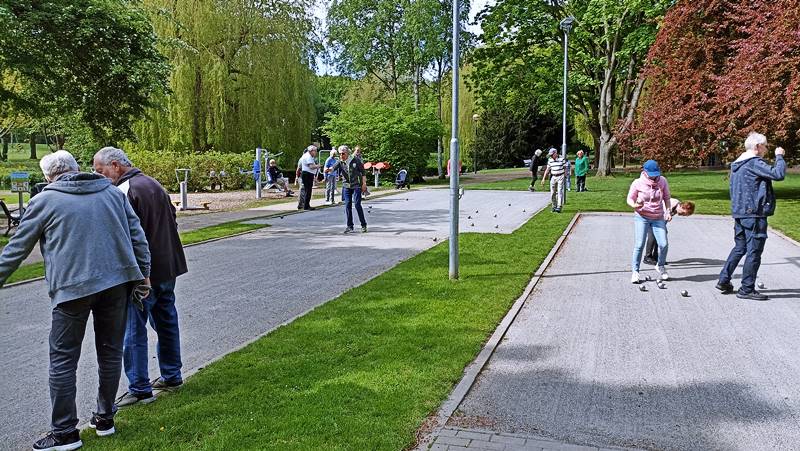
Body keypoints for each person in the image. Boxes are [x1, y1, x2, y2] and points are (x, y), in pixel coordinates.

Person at [0, 150, 151, 450]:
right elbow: (138, 237)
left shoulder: (43, 201)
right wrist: (143, 273)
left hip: (72, 289)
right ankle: (105, 419)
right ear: (76, 168)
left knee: (63, 360)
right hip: (117, 284)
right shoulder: (111, 193)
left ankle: (65, 433)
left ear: (48, 177)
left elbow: (16, 249)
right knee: (110, 353)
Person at [93, 147, 189, 408]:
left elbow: (121, 236)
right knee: (166, 320)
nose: (99, 177)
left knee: (133, 328)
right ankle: (172, 375)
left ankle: (139, 387)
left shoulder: (123, 191)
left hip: (141, 273)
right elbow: (172, 219)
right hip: (168, 266)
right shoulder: (153, 183)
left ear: (115, 165)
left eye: (100, 171)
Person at [717, 132, 786, 300]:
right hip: (754, 214)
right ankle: (747, 289)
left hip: (740, 213)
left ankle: (724, 280)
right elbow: (778, 174)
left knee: (740, 247)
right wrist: (780, 157)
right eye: (765, 145)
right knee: (754, 251)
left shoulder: (738, 164)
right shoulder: (754, 163)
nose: (766, 149)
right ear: (757, 147)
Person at [627, 159, 671, 284]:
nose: (654, 177)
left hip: (658, 217)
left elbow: (667, 198)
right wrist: (635, 205)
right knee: (639, 245)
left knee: (663, 244)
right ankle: (635, 272)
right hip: (642, 217)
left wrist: (668, 211)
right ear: (644, 172)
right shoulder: (638, 183)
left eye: (656, 174)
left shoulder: (662, 181)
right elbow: (629, 199)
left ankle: (660, 266)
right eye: (651, 174)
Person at [642, 199, 696, 265]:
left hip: (657, 219)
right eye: (683, 213)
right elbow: (660, 213)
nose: (682, 215)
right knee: (653, 235)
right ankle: (647, 257)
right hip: (650, 216)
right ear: (682, 207)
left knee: (659, 236)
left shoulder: (676, 208)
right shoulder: (672, 204)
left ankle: (655, 257)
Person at [327, 145, 368, 233]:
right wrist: (327, 169)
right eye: (340, 154)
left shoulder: (355, 160)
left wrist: (364, 184)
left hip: (356, 185)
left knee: (357, 205)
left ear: (347, 153)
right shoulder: (340, 162)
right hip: (346, 186)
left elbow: (363, 172)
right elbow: (333, 168)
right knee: (347, 205)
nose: (341, 155)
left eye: (343, 154)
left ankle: (363, 225)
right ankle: (350, 226)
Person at [541, 148, 566, 213]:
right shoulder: (550, 160)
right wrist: (543, 178)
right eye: (550, 155)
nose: (551, 156)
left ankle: (559, 206)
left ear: (555, 153)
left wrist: (565, 176)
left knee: (560, 191)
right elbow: (547, 169)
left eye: (552, 154)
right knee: (552, 193)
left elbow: (565, 168)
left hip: (560, 176)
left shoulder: (561, 159)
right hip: (553, 177)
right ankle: (554, 206)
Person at [297, 145, 320, 210]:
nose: (316, 152)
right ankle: (306, 206)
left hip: (308, 174)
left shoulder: (307, 156)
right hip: (307, 174)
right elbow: (311, 166)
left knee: (308, 190)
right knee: (308, 190)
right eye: (315, 151)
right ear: (311, 151)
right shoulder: (308, 156)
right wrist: (318, 166)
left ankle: (306, 204)